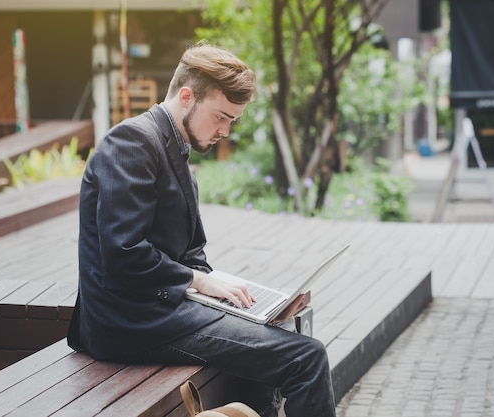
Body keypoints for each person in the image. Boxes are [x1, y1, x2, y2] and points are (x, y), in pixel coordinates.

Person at [67, 42, 337, 417]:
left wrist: (252, 306)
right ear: (186, 96)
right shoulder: (131, 142)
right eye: (221, 117)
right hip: (128, 322)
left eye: (232, 121)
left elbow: (192, 255)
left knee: (281, 331)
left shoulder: (173, 151)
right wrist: (199, 281)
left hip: (160, 310)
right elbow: (123, 253)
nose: (226, 131)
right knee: (306, 357)